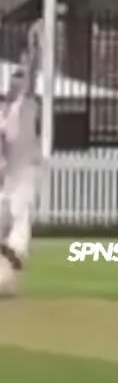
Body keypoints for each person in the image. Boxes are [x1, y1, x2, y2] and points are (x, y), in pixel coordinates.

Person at [0, 21, 42, 296]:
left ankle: (11, 262)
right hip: (8, 178)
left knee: (19, 219)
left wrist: (33, 55)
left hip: (25, 174)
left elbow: (31, 83)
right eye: (14, 79)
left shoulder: (25, 106)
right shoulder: (5, 112)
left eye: (19, 79)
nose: (16, 83)